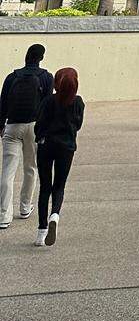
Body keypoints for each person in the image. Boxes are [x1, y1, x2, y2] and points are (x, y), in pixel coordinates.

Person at [1, 43, 53, 230]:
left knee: (7, 171)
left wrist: (1, 126)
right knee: (30, 167)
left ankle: (3, 215)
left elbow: (2, 103)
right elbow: (47, 104)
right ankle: (24, 207)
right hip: (33, 126)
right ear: (41, 58)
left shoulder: (11, 77)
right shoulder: (46, 77)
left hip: (12, 125)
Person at [33, 68, 83, 247]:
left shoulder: (48, 101)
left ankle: (41, 230)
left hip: (46, 146)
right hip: (66, 147)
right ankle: (55, 214)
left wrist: (39, 137)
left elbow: (39, 124)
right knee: (59, 186)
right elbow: (77, 125)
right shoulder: (77, 102)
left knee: (44, 187)